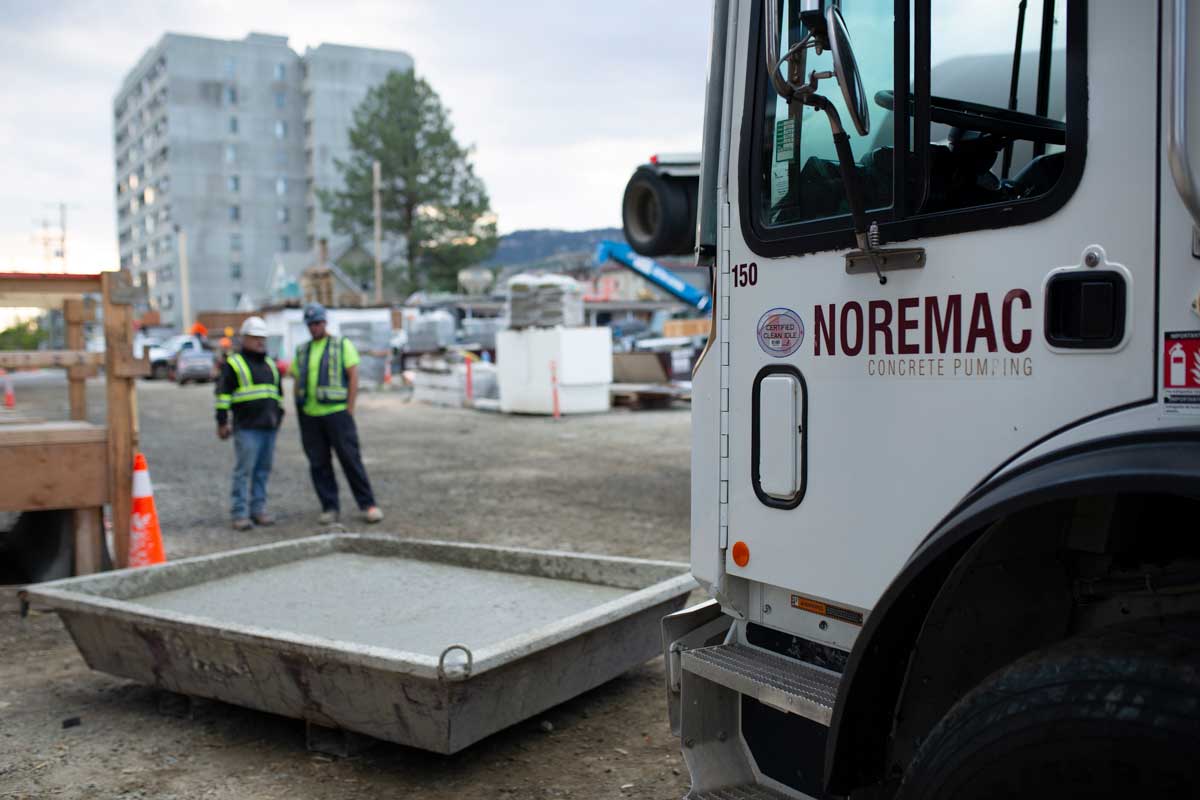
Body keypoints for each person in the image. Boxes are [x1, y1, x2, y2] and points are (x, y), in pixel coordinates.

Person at [294, 302, 383, 524]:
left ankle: (368, 504)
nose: (314, 327)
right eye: (311, 324)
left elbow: (353, 375)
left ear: (325, 322)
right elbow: (296, 378)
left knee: (350, 459)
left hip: (337, 413)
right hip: (311, 415)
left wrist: (349, 408)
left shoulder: (341, 345)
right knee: (318, 462)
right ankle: (329, 506)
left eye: (318, 323)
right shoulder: (302, 350)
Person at [215, 316, 284, 531]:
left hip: (268, 427)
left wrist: (278, 417)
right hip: (247, 427)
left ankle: (258, 510)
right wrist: (222, 421)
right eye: (255, 338)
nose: (259, 342)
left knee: (262, 471)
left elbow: (277, 394)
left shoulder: (270, 364)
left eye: (262, 338)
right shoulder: (234, 364)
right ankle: (239, 513)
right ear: (244, 338)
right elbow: (223, 395)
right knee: (244, 471)